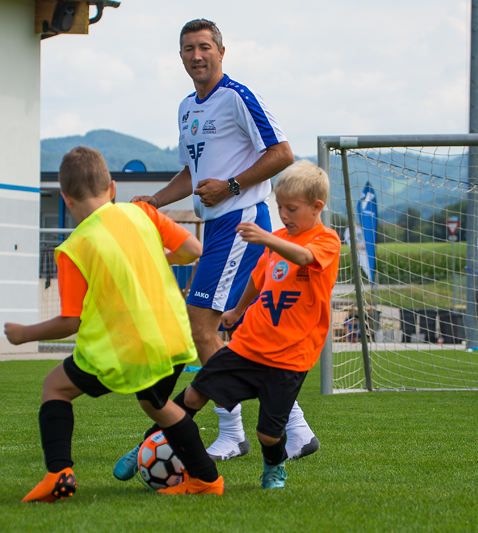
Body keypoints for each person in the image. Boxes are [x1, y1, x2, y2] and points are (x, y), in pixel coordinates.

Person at [128, 18, 317, 465]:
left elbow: (282, 153)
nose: (197, 55)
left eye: (204, 47)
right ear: (180, 56)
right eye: (188, 49)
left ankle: (232, 434)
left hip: (241, 222)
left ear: (221, 51)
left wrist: (231, 186)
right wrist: (154, 201)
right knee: (243, 337)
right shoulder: (186, 108)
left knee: (202, 326)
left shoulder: (237, 97)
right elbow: (192, 174)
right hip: (217, 228)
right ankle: (297, 429)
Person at [4, 146, 224, 501]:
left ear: (66, 199)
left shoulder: (75, 247)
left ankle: (59, 474)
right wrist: (159, 258)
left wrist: (24, 334)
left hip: (122, 348)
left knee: (55, 388)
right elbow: (192, 250)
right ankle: (207, 479)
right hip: (171, 338)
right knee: (157, 406)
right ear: (112, 188)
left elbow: (70, 322)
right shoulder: (143, 213)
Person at [133, 160, 339, 491]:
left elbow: (303, 258)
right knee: (195, 393)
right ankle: (151, 442)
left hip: (289, 357)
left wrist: (267, 238)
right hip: (247, 344)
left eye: (292, 209)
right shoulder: (277, 240)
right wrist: (236, 310)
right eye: (280, 207)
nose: (284, 215)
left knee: (267, 434)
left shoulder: (326, 241)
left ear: (317, 207)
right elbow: (258, 280)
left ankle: (274, 466)